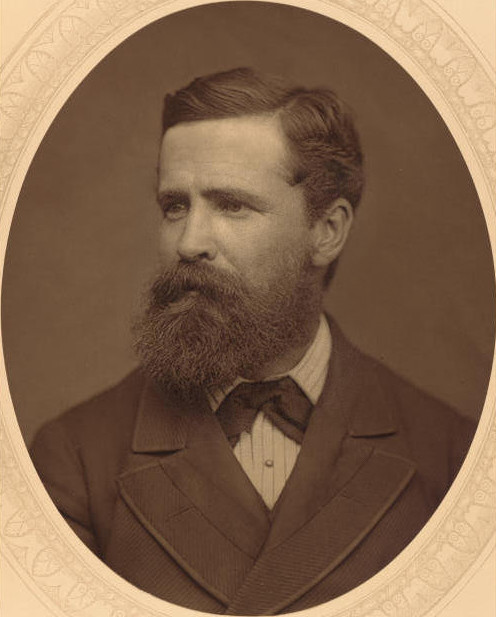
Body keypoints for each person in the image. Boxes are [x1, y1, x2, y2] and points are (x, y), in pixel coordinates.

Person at [30, 68, 476, 615]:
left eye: (232, 205)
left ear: (327, 230)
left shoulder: (453, 457)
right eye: (175, 206)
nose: (189, 242)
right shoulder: (75, 459)